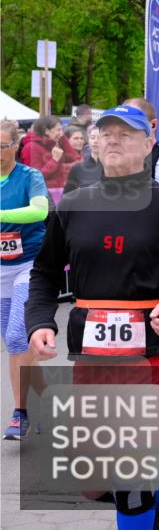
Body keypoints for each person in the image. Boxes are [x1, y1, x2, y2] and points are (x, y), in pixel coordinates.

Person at [25, 105, 159, 530]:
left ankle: (144, 493)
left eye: (125, 134)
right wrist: (40, 322)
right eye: (106, 133)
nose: (113, 139)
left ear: (148, 144)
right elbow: (45, 274)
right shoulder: (73, 206)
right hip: (91, 355)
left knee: (130, 467)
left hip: (152, 353)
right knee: (92, 481)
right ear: (94, 143)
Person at [0, 120, 49, 440]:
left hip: (28, 265)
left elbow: (40, 210)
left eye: (2, 146)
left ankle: (20, 415)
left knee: (18, 336)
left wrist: (2, 215)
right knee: (17, 347)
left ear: (16, 145)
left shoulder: (30, 176)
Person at [19, 115, 80, 191]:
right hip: (41, 193)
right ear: (47, 131)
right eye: (58, 130)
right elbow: (35, 177)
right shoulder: (30, 147)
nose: (61, 133)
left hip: (59, 190)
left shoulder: (55, 143)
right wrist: (54, 160)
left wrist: (63, 140)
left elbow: (76, 159)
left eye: (62, 130)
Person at [64, 125, 103, 194]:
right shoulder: (78, 168)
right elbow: (67, 195)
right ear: (88, 141)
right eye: (92, 138)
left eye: (99, 138)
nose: (95, 141)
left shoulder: (114, 167)